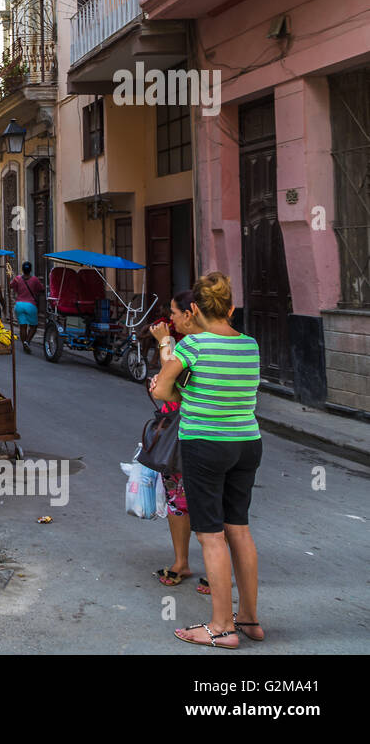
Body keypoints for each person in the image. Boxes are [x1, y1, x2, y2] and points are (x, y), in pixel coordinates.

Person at [150, 272, 264, 649]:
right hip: (247, 443)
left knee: (211, 536)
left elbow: (163, 389)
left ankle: (221, 627)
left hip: (205, 444)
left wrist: (182, 386)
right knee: (240, 530)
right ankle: (248, 618)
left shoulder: (192, 346)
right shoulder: (250, 345)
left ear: (195, 308)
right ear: (230, 307)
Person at [148, 290, 198, 588]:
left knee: (194, 500)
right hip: (178, 428)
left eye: (175, 313)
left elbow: (173, 380)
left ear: (190, 313)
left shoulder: (195, 345)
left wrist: (165, 342)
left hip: (195, 432)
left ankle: (207, 567)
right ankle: (183, 562)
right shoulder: (188, 344)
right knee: (178, 500)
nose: (171, 319)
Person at [9, 261, 45, 354]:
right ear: (30, 269)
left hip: (19, 305)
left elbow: (10, 286)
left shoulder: (17, 278)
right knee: (34, 326)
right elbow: (42, 289)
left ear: (22, 269)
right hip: (30, 305)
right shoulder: (35, 279)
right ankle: (27, 342)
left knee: (22, 326)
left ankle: (24, 344)